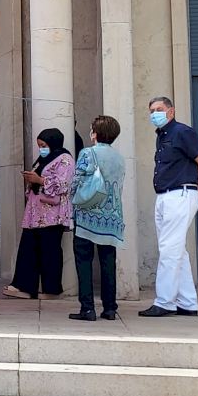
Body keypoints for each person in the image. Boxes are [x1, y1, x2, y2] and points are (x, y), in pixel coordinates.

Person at [140, 96, 198, 317]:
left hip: (180, 194)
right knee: (177, 250)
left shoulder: (182, 132)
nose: (154, 114)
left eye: (159, 109)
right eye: (151, 110)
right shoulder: (162, 136)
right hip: (166, 195)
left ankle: (165, 301)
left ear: (171, 111)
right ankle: (187, 302)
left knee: (169, 249)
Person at [4, 128, 73, 300]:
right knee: (28, 249)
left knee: (50, 252)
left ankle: (51, 290)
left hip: (53, 214)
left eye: (44, 145)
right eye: (39, 146)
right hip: (35, 213)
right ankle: (24, 286)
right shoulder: (42, 160)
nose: (41, 149)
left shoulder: (65, 159)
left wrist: (40, 180)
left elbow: (64, 184)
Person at [69, 116, 126, 321]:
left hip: (88, 215)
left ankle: (87, 308)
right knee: (108, 262)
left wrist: (71, 200)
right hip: (112, 217)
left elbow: (76, 181)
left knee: (84, 261)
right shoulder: (119, 157)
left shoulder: (88, 153)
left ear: (95, 133)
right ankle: (109, 308)